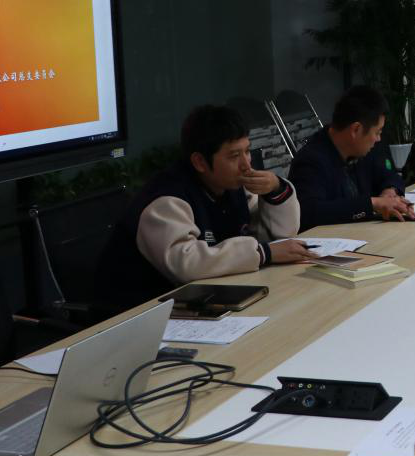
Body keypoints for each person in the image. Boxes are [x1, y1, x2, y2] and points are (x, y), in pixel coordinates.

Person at [98, 105, 309, 311]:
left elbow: (277, 237)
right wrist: (264, 253)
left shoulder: (231, 185)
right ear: (200, 162)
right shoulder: (166, 199)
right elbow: (186, 264)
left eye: (247, 151)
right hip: (138, 313)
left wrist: (276, 190)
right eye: (234, 156)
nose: (246, 164)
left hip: (204, 299)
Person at [287, 86, 412, 230]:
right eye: (377, 132)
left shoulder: (360, 149)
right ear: (356, 129)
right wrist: (373, 203)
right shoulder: (311, 160)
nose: (378, 139)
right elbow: (309, 212)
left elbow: (390, 175)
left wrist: (390, 192)